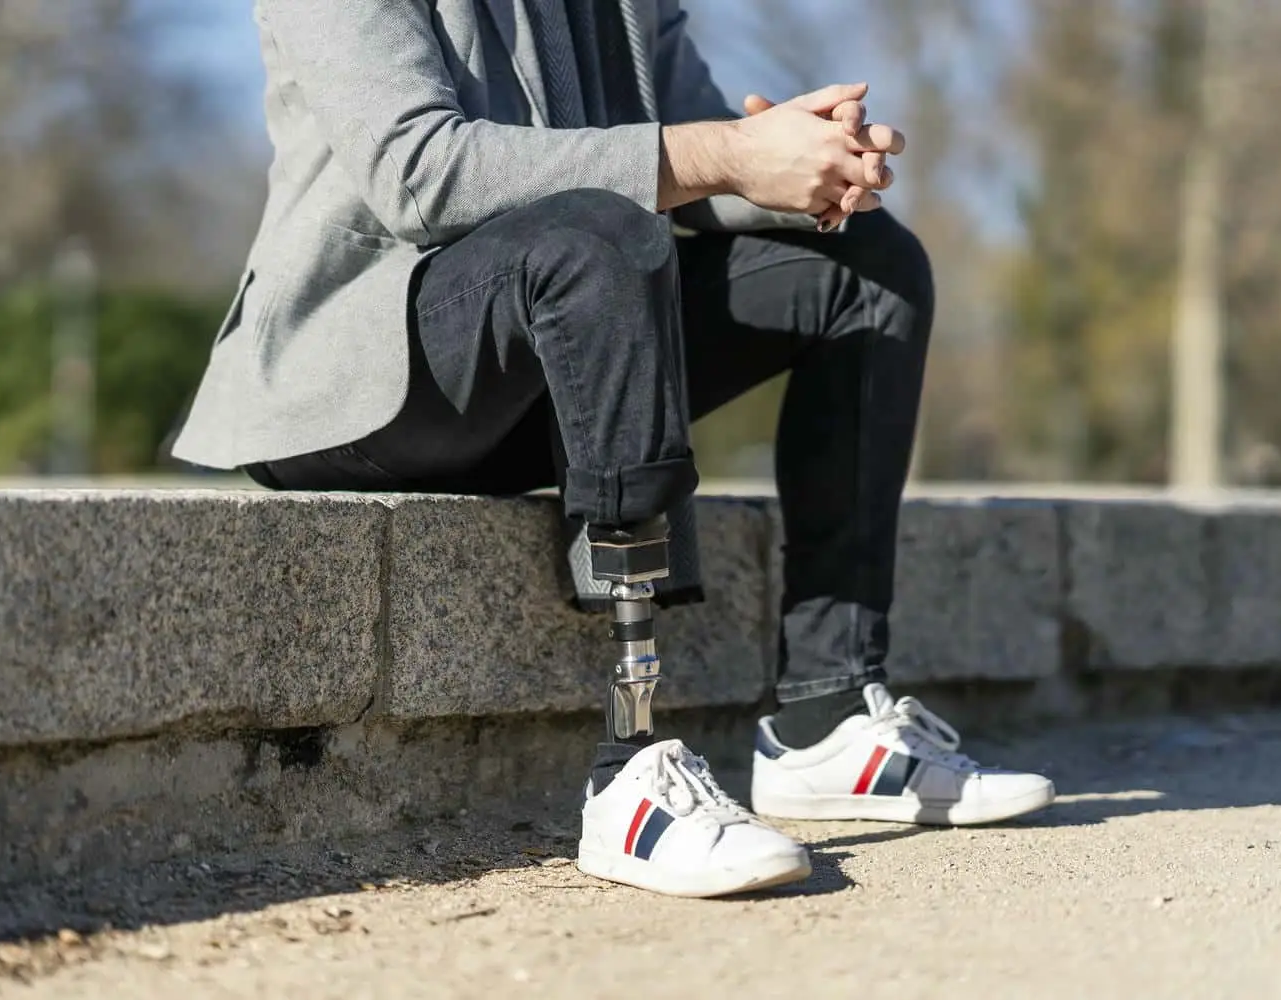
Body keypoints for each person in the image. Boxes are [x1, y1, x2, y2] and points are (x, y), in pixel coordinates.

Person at [172, 0, 1055, 898]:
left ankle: (827, 720)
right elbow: (421, 173)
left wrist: (806, 165)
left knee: (866, 267)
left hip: (553, 357)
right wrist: (726, 154)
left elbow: (698, 168)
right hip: (359, 375)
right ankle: (631, 772)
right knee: (603, 235)